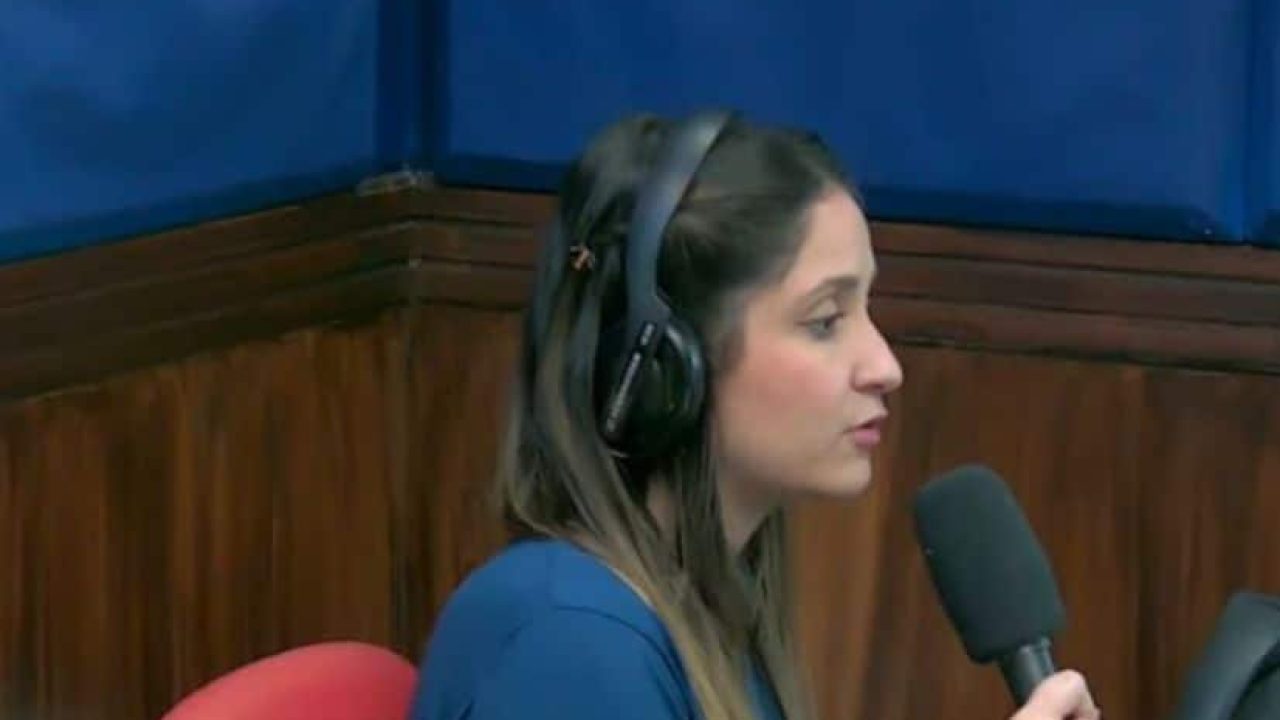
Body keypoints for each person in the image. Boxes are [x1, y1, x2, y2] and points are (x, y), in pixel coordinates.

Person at [407, 110, 1100, 720]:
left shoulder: (705, 615)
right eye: (825, 321)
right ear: (669, 364)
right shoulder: (567, 640)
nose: (885, 365)